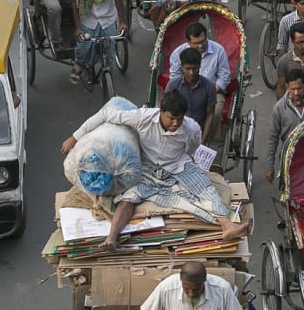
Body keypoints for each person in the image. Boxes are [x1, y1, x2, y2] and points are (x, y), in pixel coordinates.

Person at [61, 95, 250, 252]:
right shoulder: (142, 117)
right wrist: (74, 137)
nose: (175, 124)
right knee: (129, 198)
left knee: (205, 189)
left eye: (179, 119)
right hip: (146, 168)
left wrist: (188, 167)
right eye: (171, 119)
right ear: (161, 112)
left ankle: (227, 227)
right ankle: (111, 238)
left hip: (178, 166)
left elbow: (192, 149)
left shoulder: (192, 128)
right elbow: (105, 115)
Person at [70, 0, 125, 84]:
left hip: (107, 18)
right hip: (88, 19)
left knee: (110, 49)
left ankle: (108, 78)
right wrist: (78, 27)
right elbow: (73, 2)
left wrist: (122, 21)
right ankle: (80, 64)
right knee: (84, 48)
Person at [265, 66, 304, 184]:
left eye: (299, 88)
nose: (296, 93)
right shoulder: (279, 108)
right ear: (287, 87)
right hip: (291, 161)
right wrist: (269, 167)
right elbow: (273, 138)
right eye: (292, 89)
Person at [165, 47, 218, 143]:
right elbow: (165, 111)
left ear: (200, 66)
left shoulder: (209, 87)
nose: (191, 73)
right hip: (174, 133)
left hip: (197, 134)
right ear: (181, 67)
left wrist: (203, 141)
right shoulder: (173, 85)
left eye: (195, 68)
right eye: (187, 68)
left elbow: (210, 114)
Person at [141, 261, 240, 310]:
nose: (191, 294)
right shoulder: (166, 288)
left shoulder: (223, 290)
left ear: (204, 280)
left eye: (196, 289)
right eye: (187, 289)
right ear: (181, 279)